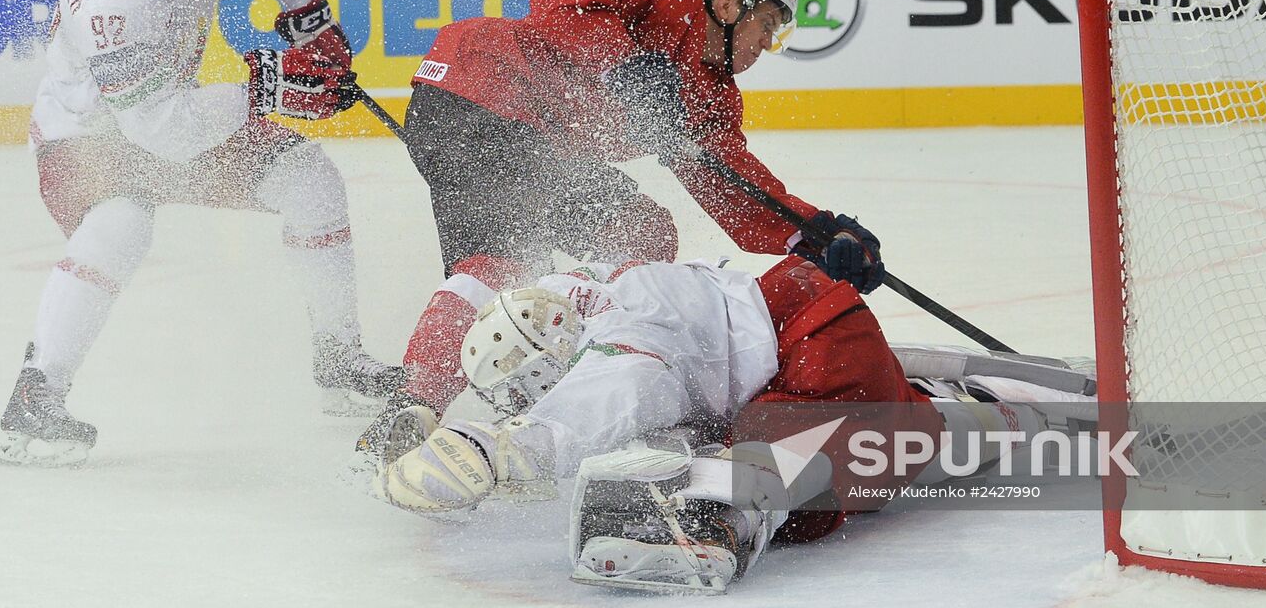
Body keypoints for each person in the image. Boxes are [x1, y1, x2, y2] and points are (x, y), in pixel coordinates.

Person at [354, 0, 887, 457]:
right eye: (766, 24)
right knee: (538, 253)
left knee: (600, 239)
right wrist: (622, 66)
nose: (765, 44)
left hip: (518, 133)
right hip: (482, 82)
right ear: (728, 5)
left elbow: (733, 188)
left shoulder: (710, 93)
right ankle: (587, 354)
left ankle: (420, 403)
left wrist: (817, 233)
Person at [0, 0, 402, 467]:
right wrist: (273, 88)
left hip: (163, 116)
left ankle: (340, 358)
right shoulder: (112, 6)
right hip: (84, 138)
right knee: (121, 223)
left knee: (311, 183)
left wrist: (307, 20)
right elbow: (165, 134)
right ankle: (37, 390)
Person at [376, 256, 1091, 593]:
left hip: (818, 357)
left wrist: (504, 450)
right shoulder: (576, 293)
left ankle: (1014, 415)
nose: (525, 399)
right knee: (722, 433)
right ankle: (978, 394)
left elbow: (616, 387)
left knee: (789, 484)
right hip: (804, 326)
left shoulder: (623, 348)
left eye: (523, 389)